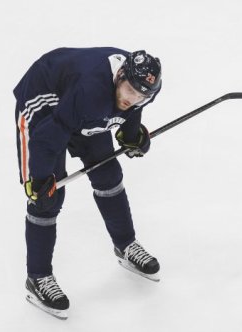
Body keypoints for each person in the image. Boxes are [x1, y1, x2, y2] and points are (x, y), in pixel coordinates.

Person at [13, 47, 162, 319]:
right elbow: (47, 138)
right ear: (119, 76)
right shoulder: (90, 90)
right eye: (130, 91)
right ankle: (38, 277)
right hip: (44, 102)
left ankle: (125, 244)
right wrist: (40, 179)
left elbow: (130, 112)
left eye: (142, 95)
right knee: (47, 198)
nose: (134, 99)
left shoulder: (139, 89)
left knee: (108, 174)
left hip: (78, 106)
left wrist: (131, 136)